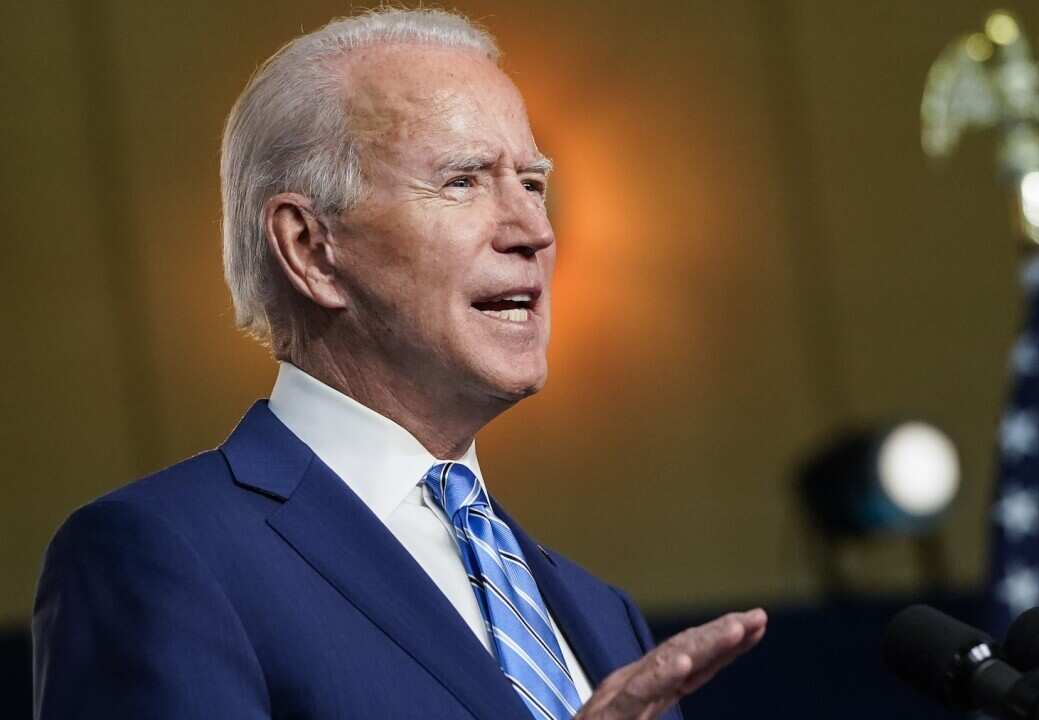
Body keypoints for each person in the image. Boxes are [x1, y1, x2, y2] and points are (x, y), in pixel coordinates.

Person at [31, 8, 766, 720]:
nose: (535, 231)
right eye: (464, 181)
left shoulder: (607, 618)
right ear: (310, 249)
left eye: (534, 184)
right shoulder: (163, 556)